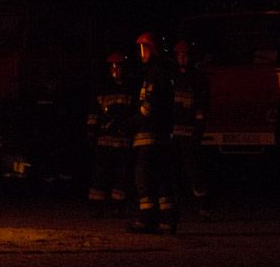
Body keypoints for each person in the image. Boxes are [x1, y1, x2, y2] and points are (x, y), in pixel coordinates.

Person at [128, 32, 177, 233]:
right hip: (160, 136)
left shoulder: (155, 74)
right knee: (161, 179)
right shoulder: (161, 72)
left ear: (153, 49)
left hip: (149, 136)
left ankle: (146, 219)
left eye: (145, 48)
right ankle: (165, 221)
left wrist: (130, 122)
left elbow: (149, 107)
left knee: (144, 179)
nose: (142, 53)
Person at [86, 52, 137, 217]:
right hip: (105, 140)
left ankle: (117, 206)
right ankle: (96, 206)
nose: (116, 69)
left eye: (119, 66)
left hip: (122, 140)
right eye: (113, 66)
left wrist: (127, 127)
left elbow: (134, 113)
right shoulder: (103, 88)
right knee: (100, 175)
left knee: (121, 176)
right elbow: (94, 112)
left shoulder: (130, 88)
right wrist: (91, 131)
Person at [171, 40, 210, 218]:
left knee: (193, 169)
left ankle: (203, 206)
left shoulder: (197, 77)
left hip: (189, 131)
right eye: (179, 54)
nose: (183, 57)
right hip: (172, 131)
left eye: (185, 54)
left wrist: (199, 127)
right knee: (173, 171)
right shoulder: (171, 76)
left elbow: (201, 104)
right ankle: (173, 207)